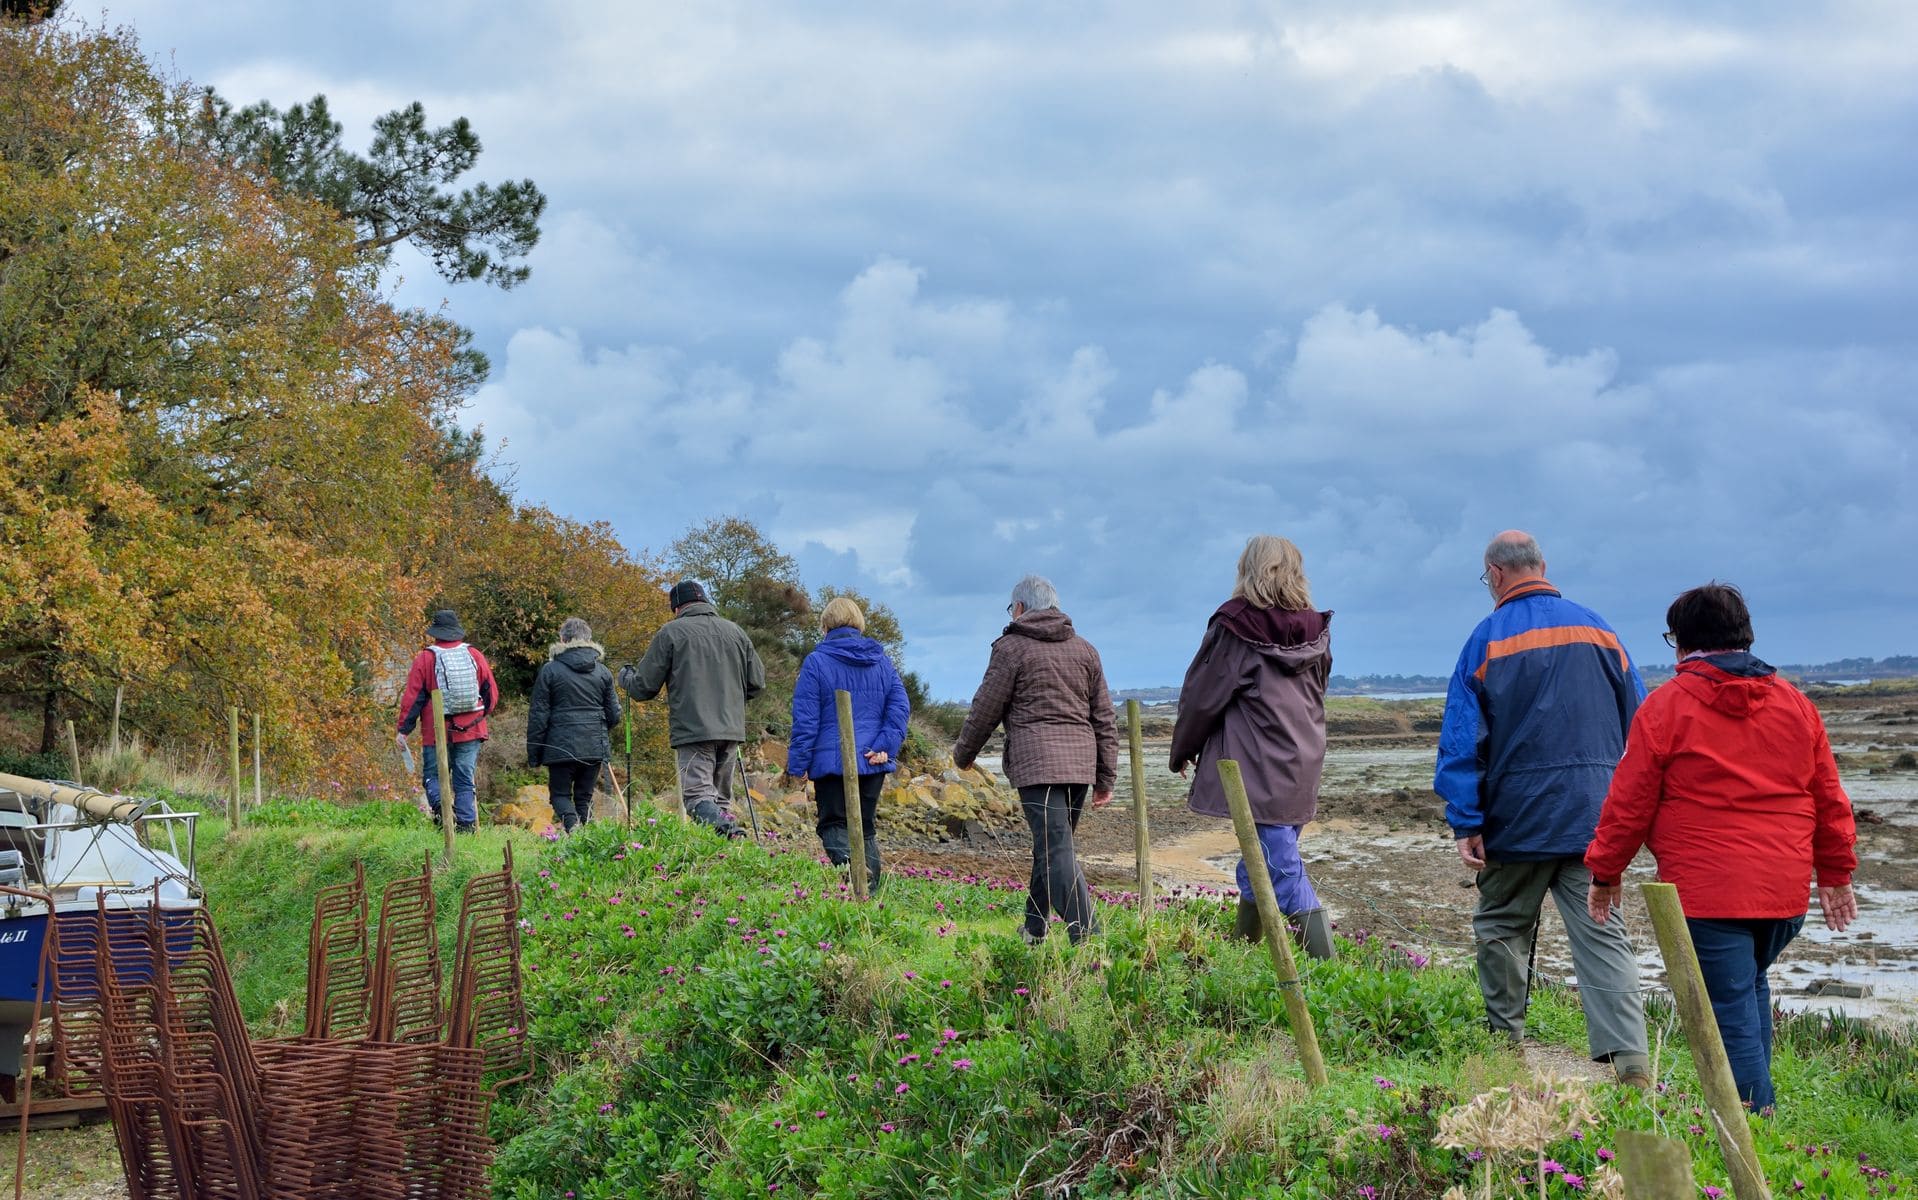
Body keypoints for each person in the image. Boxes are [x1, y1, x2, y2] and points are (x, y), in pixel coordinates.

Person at [1585, 583, 1858, 1113]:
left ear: (1683, 642)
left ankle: (1754, 1126)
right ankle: (1758, 1121)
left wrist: (1605, 872)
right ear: (1744, 636)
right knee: (1746, 988)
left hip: (1709, 894)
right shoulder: (1797, 705)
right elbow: (1829, 796)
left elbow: (1629, 802)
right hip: (1782, 892)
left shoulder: (1666, 707)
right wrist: (1835, 873)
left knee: (1728, 1008)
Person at [1435, 531, 1652, 1086]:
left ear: (1495, 573)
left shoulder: (1485, 639)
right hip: (1593, 817)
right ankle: (1629, 1060)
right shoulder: (1601, 631)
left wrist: (1466, 821)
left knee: (1502, 925)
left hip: (1517, 820)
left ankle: (1505, 1043)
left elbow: (1462, 741)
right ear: (1542, 566)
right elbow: (1642, 724)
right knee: (1604, 933)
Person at [1169, 535, 1336, 959]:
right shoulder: (1316, 628)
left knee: (1279, 864)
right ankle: (1243, 954)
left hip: (1257, 760)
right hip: (1304, 755)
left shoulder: (1235, 625)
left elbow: (1203, 694)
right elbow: (1319, 689)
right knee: (1264, 855)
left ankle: (1329, 972)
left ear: (1247, 569)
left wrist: (1183, 748)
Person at [953, 575, 1118, 944]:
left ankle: (1088, 935)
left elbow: (985, 708)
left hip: (1037, 766)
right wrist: (1105, 777)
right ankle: (1034, 927)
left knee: (1055, 848)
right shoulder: (1085, 650)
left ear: (1020, 609)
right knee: (1053, 847)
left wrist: (963, 754)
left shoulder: (1012, 649)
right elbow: (1104, 717)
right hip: (1079, 767)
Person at [619, 581, 766, 838]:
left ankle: (729, 833)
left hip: (694, 729)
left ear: (676, 608)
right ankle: (724, 857)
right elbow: (757, 682)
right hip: (731, 728)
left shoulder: (671, 633)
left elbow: (644, 687)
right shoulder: (736, 632)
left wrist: (625, 679)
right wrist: (731, 701)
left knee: (697, 797)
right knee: (720, 799)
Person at [787, 597, 910, 885]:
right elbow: (900, 707)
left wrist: (798, 764)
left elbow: (806, 719)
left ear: (825, 626)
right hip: (872, 761)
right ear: (858, 623)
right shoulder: (882, 661)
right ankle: (872, 897)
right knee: (865, 829)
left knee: (832, 826)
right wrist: (884, 746)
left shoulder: (816, 662)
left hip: (831, 763)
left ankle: (852, 871)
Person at [396, 609, 499, 834]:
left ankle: (443, 816)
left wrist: (403, 730)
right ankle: (466, 825)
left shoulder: (426, 658)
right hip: (471, 729)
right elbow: (491, 695)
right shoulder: (474, 654)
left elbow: (413, 698)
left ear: (435, 633)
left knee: (433, 775)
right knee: (464, 777)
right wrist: (479, 716)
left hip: (436, 730)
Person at [526, 616, 623, 833]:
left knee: (560, 795)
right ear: (589, 639)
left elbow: (538, 715)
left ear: (562, 639)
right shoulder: (603, 672)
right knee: (584, 797)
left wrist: (535, 754)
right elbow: (614, 714)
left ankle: (573, 828)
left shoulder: (550, 671)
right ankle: (587, 840)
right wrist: (597, 733)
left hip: (559, 746)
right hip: (593, 745)